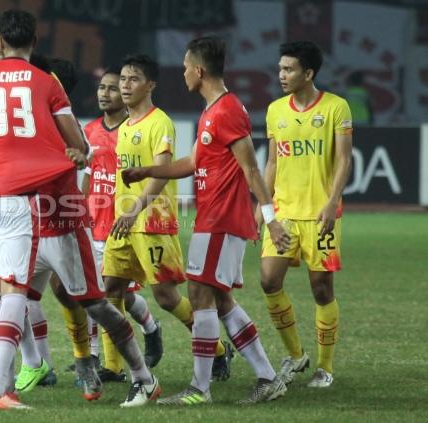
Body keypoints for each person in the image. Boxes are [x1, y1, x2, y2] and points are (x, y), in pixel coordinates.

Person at [0, 9, 157, 410]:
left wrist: (67, 156)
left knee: (86, 300)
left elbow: (80, 153)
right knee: (12, 295)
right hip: (24, 212)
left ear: (2, 43)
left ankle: (143, 377)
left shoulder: (21, 90)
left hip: (53, 218)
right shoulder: (38, 90)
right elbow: (79, 152)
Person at [123, 35, 290, 406]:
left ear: (199, 70)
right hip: (212, 216)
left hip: (221, 218)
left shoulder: (227, 110)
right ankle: (266, 377)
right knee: (221, 299)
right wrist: (146, 170)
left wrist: (271, 218)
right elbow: (193, 162)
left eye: (185, 67)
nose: (182, 73)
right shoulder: (213, 111)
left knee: (200, 294)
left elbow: (251, 169)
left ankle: (200, 388)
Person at [100, 54, 232, 384]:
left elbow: (160, 175)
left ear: (150, 85)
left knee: (165, 297)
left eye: (133, 79)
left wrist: (134, 210)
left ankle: (216, 349)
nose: (125, 85)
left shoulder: (160, 123)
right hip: (124, 221)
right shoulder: (126, 126)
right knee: (110, 289)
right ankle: (113, 366)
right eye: (123, 80)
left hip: (151, 221)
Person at [260, 41, 353, 389]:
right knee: (269, 280)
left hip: (320, 214)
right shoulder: (275, 111)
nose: (281, 75)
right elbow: (272, 162)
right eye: (281, 68)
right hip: (283, 212)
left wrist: (332, 202)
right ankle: (296, 354)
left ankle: (325, 367)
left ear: (308, 73)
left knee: (321, 288)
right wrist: (263, 207)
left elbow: (344, 159)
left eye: (289, 69)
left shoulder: (336, 108)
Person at [80, 66, 163, 374]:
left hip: (125, 222)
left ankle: (151, 329)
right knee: (106, 294)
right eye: (102, 88)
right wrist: (80, 210)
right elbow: (87, 175)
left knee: (120, 294)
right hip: (94, 223)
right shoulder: (89, 132)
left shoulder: (133, 130)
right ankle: (105, 361)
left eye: (112, 88)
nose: (105, 93)